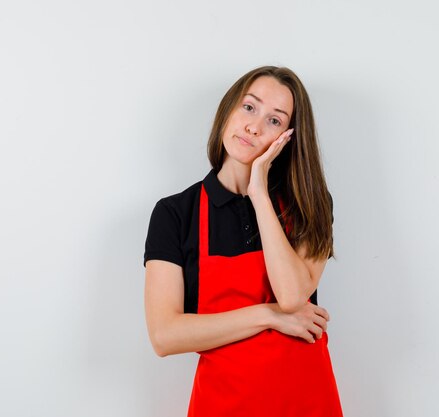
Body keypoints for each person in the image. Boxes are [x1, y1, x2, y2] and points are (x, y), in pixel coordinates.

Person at [143, 65, 343, 416]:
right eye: (249, 107)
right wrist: (268, 316)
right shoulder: (175, 213)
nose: (254, 126)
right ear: (229, 109)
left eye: (275, 120)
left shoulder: (310, 202)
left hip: (305, 400)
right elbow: (165, 335)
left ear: (288, 137)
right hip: (223, 404)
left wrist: (260, 195)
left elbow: (293, 295)